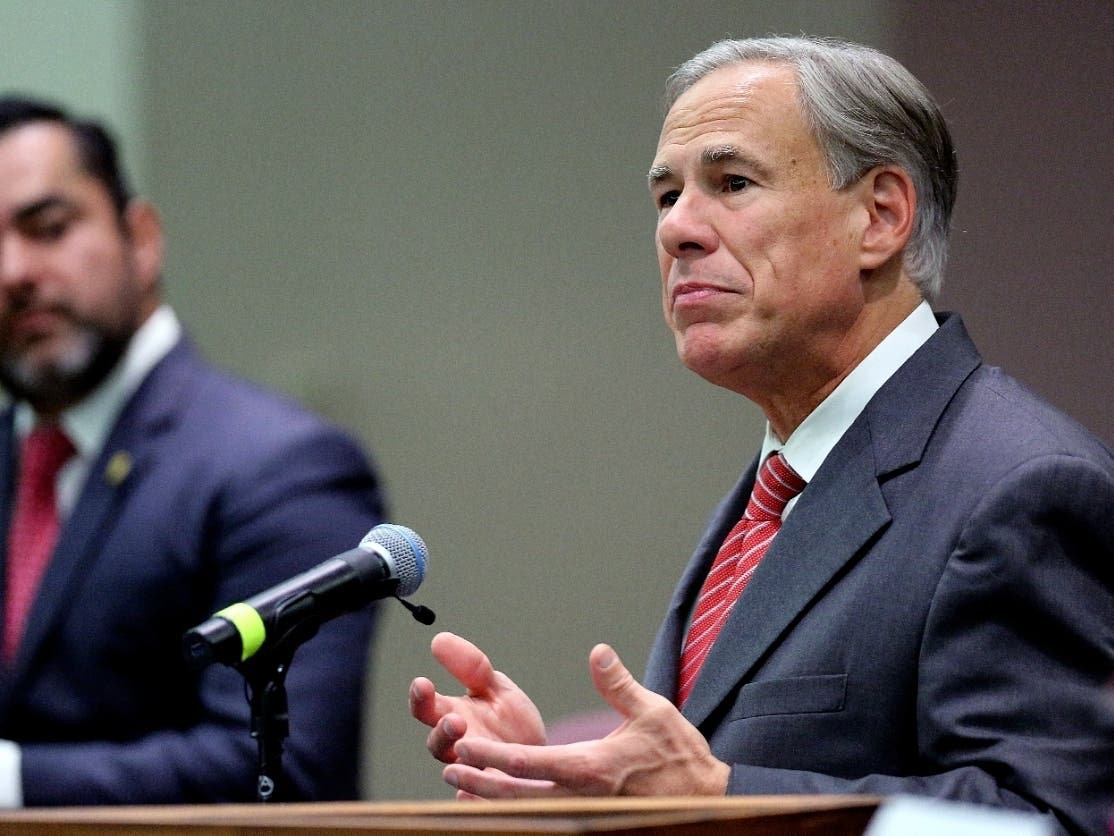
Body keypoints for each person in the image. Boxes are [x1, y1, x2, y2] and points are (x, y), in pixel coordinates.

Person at [408, 35, 1114, 835]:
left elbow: (1048, 819)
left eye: (731, 183)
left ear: (880, 216)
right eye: (666, 195)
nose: (678, 229)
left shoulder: (1022, 485)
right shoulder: (778, 488)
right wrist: (577, 793)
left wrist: (716, 795)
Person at [0, 96, 386, 804]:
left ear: (141, 239)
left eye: (48, 229)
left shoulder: (284, 467)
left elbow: (288, 771)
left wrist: (13, 781)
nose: (14, 270)